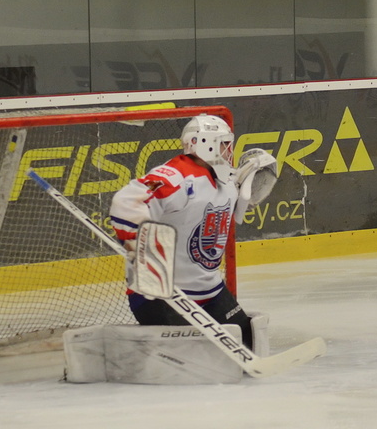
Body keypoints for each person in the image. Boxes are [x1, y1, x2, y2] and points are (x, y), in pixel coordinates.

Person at [109, 114, 277, 351]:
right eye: (224, 143)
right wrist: (142, 247)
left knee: (247, 340)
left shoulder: (226, 179)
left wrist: (249, 182)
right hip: (162, 295)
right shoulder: (176, 176)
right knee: (191, 354)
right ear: (204, 142)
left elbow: (239, 199)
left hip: (210, 290)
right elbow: (127, 202)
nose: (229, 151)